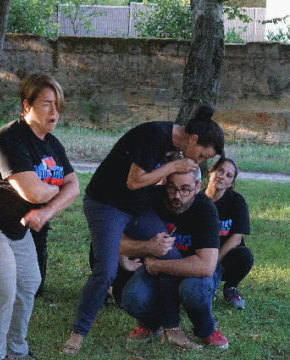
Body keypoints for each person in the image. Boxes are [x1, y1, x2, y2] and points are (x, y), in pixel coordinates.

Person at [62, 105, 225, 354]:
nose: (198, 161)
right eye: (202, 155)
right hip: (106, 203)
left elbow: (152, 182)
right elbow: (134, 181)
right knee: (105, 271)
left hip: (136, 207)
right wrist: (173, 167)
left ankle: (171, 329)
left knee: (169, 252)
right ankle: (78, 334)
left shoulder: (176, 147)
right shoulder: (154, 135)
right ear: (193, 139)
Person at [0, 73, 80, 360]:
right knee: (4, 289)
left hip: (15, 225)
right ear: (26, 105)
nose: (54, 111)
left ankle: (16, 352)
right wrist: (55, 189)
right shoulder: (8, 139)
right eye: (46, 104)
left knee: (29, 282)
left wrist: (47, 209)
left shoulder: (52, 144)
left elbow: (75, 187)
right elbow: (32, 191)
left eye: (57, 105)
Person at [121, 167, 229, 349]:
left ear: (197, 187)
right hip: (155, 267)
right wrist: (144, 248)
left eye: (185, 189)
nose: (176, 196)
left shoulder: (205, 209)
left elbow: (206, 266)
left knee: (193, 291)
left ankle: (206, 328)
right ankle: (152, 324)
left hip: (193, 272)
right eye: (171, 188)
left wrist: (158, 265)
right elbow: (118, 232)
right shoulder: (153, 198)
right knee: (132, 298)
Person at [205, 157, 253, 309]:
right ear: (211, 171)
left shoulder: (237, 201)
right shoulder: (197, 200)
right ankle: (206, 286)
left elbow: (237, 238)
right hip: (201, 255)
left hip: (225, 256)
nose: (222, 176)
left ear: (231, 183)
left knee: (245, 256)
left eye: (229, 175)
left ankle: (230, 288)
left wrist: (215, 261)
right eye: (220, 170)